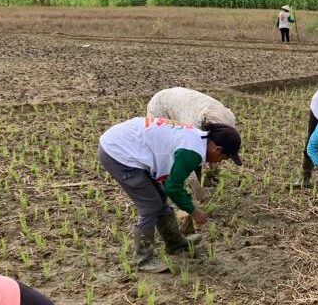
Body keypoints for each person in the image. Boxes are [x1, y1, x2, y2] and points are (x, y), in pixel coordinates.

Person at [99, 115, 242, 273]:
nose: (221, 161)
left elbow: (169, 182)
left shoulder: (198, 139)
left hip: (126, 143)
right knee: (150, 206)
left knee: (160, 199)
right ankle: (144, 260)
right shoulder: (191, 152)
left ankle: (175, 243)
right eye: (225, 157)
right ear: (218, 149)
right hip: (118, 153)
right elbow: (173, 187)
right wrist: (193, 211)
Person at [146, 87, 238, 233]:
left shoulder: (228, 120)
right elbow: (189, 161)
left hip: (186, 103)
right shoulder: (193, 127)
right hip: (162, 106)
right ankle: (175, 211)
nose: (222, 161)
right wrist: (197, 192)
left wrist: (212, 171)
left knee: (198, 158)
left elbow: (212, 152)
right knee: (171, 162)